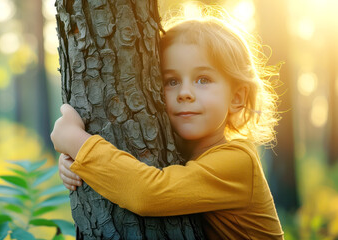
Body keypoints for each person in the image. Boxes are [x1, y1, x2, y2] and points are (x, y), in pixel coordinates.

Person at [49, 6, 284, 239]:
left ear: (236, 98)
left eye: (203, 79)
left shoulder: (237, 161)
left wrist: (78, 143)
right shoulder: (178, 154)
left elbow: (148, 193)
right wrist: (76, 163)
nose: (185, 93)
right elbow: (125, 171)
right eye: (171, 81)